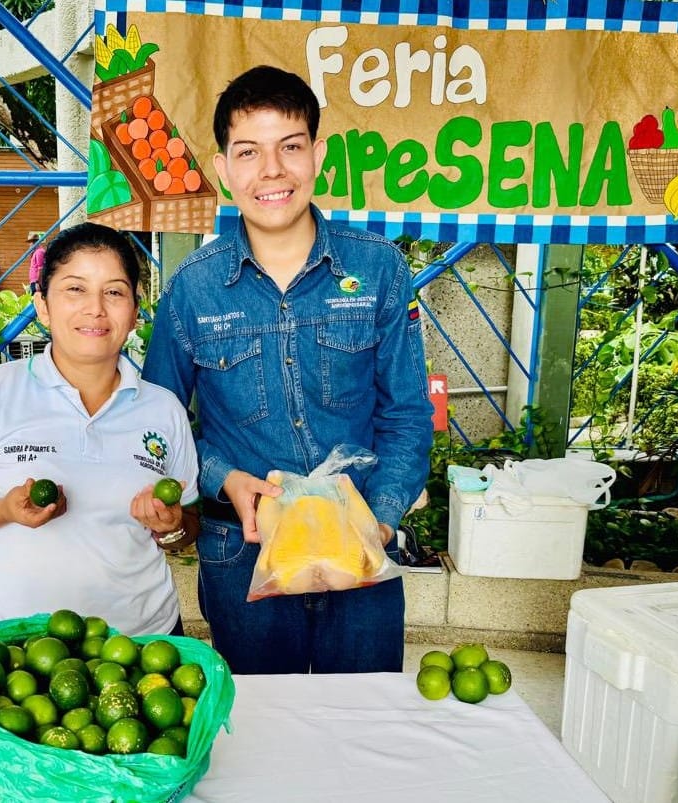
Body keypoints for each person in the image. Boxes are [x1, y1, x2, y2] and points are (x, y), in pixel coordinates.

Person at [141, 66, 433, 673]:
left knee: (363, 731)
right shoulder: (192, 290)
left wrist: (380, 517)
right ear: (223, 169)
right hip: (240, 552)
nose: (271, 171)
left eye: (289, 147)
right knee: (259, 740)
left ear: (317, 155)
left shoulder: (379, 270)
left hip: (360, 546)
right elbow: (154, 429)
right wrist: (222, 476)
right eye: (248, 152)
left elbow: (406, 414)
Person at [0, 222, 200, 635]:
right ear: (43, 306)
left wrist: (170, 526)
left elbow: (186, 526)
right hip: (25, 656)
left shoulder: (164, 409)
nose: (96, 309)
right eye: (75, 289)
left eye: (114, 292)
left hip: (146, 647)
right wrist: (4, 510)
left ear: (135, 312)